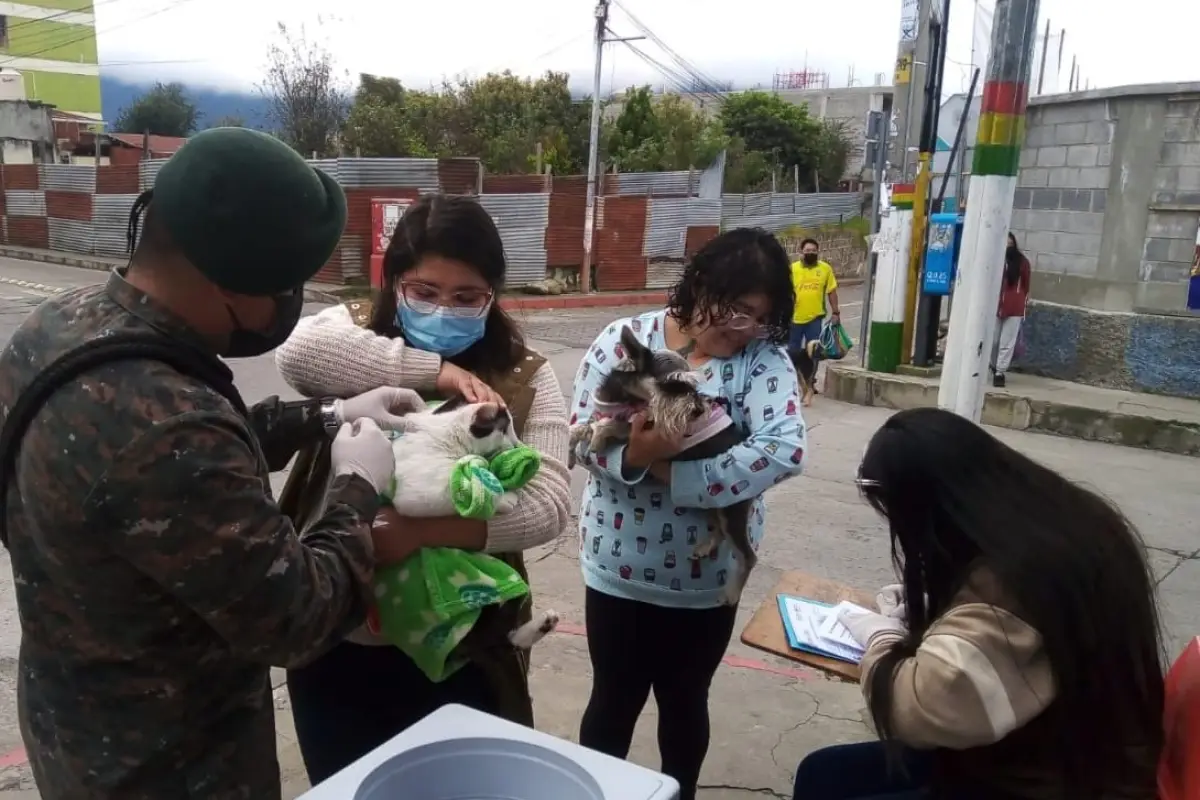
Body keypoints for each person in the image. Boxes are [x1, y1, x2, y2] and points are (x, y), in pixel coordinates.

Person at [0, 127, 427, 799]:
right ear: (231, 278)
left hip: (71, 721)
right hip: (171, 765)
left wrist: (325, 418)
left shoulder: (57, 329)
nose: (290, 301)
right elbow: (299, 616)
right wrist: (357, 487)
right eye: (287, 282)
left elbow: (161, 487)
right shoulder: (169, 422)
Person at [273, 192, 572, 784]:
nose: (444, 310)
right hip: (335, 637)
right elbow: (297, 354)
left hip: (462, 642)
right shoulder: (353, 332)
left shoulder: (526, 377)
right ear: (394, 284)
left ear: (493, 295)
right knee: (346, 783)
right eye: (425, 292)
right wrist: (434, 372)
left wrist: (418, 533)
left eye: (467, 298)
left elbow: (549, 503)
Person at [793, 407, 1164, 800]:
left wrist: (881, 636)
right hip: (1059, 747)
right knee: (823, 773)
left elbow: (921, 706)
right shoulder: (1061, 518)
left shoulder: (1017, 577)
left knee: (830, 785)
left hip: (1062, 778)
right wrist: (937, 612)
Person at [571, 228, 808, 800]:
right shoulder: (625, 342)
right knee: (612, 703)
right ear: (698, 284)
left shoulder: (762, 362)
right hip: (618, 572)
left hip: (704, 585)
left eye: (756, 317)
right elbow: (581, 439)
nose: (739, 328)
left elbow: (784, 448)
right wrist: (640, 453)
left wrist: (675, 475)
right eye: (732, 309)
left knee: (684, 704)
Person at [788, 237, 841, 355]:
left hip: (815, 318)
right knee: (792, 351)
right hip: (793, 318)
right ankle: (794, 373)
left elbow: (831, 291)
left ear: (818, 252)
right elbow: (784, 292)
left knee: (814, 351)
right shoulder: (792, 269)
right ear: (801, 251)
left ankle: (811, 373)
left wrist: (836, 312)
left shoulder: (825, 269)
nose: (810, 253)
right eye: (807, 250)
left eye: (813, 250)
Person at [993, 232, 1031, 388]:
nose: (1008, 247)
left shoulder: (1022, 262)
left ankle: (1000, 372)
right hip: (995, 306)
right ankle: (993, 365)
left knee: (1006, 342)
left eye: (1011, 244)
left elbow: (1026, 284)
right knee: (993, 341)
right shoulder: (996, 260)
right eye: (1006, 244)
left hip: (1014, 306)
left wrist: (1024, 301)